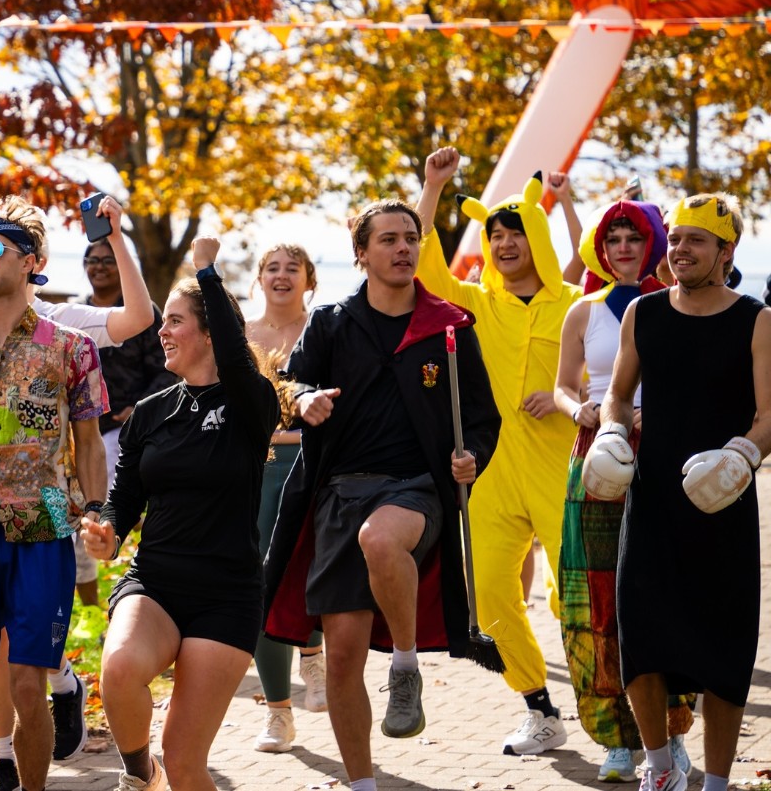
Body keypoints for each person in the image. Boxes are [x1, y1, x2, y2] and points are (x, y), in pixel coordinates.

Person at [261, 201, 499, 791]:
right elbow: (290, 383)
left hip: (418, 491)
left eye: (410, 238)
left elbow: (483, 419)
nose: (403, 248)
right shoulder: (332, 322)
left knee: (381, 538)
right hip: (338, 497)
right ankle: (362, 781)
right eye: (388, 239)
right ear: (361, 253)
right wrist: (303, 398)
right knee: (340, 656)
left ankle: (405, 665)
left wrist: (474, 459)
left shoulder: (449, 326)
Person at [0, 194, 153, 786]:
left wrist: (95, 508)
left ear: (31, 260)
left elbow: (90, 439)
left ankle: (38, 742)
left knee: (28, 672)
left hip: (45, 518)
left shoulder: (71, 337)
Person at [82, 234, 280, 791]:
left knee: (188, 765)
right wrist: (108, 531)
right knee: (119, 671)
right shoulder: (150, 412)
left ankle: (165, 769)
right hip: (158, 582)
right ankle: (139, 773)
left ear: (211, 331)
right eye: (162, 321)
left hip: (227, 594)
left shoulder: (251, 402)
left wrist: (208, 273)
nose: (161, 331)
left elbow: (240, 364)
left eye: (174, 321)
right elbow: (125, 498)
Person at [586, 193, 769, 791]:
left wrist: (743, 452)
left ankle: (715, 781)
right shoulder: (645, 311)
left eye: (697, 240)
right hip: (653, 500)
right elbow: (618, 392)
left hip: (725, 505)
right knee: (641, 638)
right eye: (677, 238)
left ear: (726, 251)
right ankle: (659, 769)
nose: (681, 249)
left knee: (726, 645)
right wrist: (612, 431)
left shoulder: (756, 319)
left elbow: (770, 414)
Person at [415, 147, 582, 754]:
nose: (505, 244)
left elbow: (606, 373)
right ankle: (539, 708)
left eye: (515, 232)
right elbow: (426, 270)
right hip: (490, 475)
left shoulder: (573, 305)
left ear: (535, 236)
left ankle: (618, 708)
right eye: (496, 236)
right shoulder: (476, 306)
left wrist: (564, 394)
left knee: (578, 598)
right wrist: (433, 186)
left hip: (560, 471)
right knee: (486, 596)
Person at [553, 201, 695, 781]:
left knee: (664, 594)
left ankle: (673, 735)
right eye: (611, 239)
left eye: (633, 237)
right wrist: (578, 408)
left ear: (654, 244)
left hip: (661, 456)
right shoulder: (582, 311)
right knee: (593, 597)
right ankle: (614, 737)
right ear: (599, 249)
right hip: (595, 456)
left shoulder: (676, 305)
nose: (621, 248)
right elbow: (563, 385)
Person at [243, 243, 329, 752]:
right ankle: (278, 713)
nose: (281, 276)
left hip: (312, 466)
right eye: (272, 268)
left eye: (292, 268)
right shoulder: (241, 335)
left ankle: (313, 655)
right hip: (256, 469)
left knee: (311, 570)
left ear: (308, 279)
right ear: (259, 279)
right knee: (260, 582)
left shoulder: (324, 330)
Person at [81, 235, 174, 599]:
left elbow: (169, 368)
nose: (99, 266)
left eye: (108, 260)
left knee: (119, 514)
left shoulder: (142, 313)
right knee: (79, 522)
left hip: (127, 431)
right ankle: (86, 611)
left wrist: (141, 406)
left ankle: (125, 589)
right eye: (93, 259)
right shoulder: (78, 313)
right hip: (80, 432)